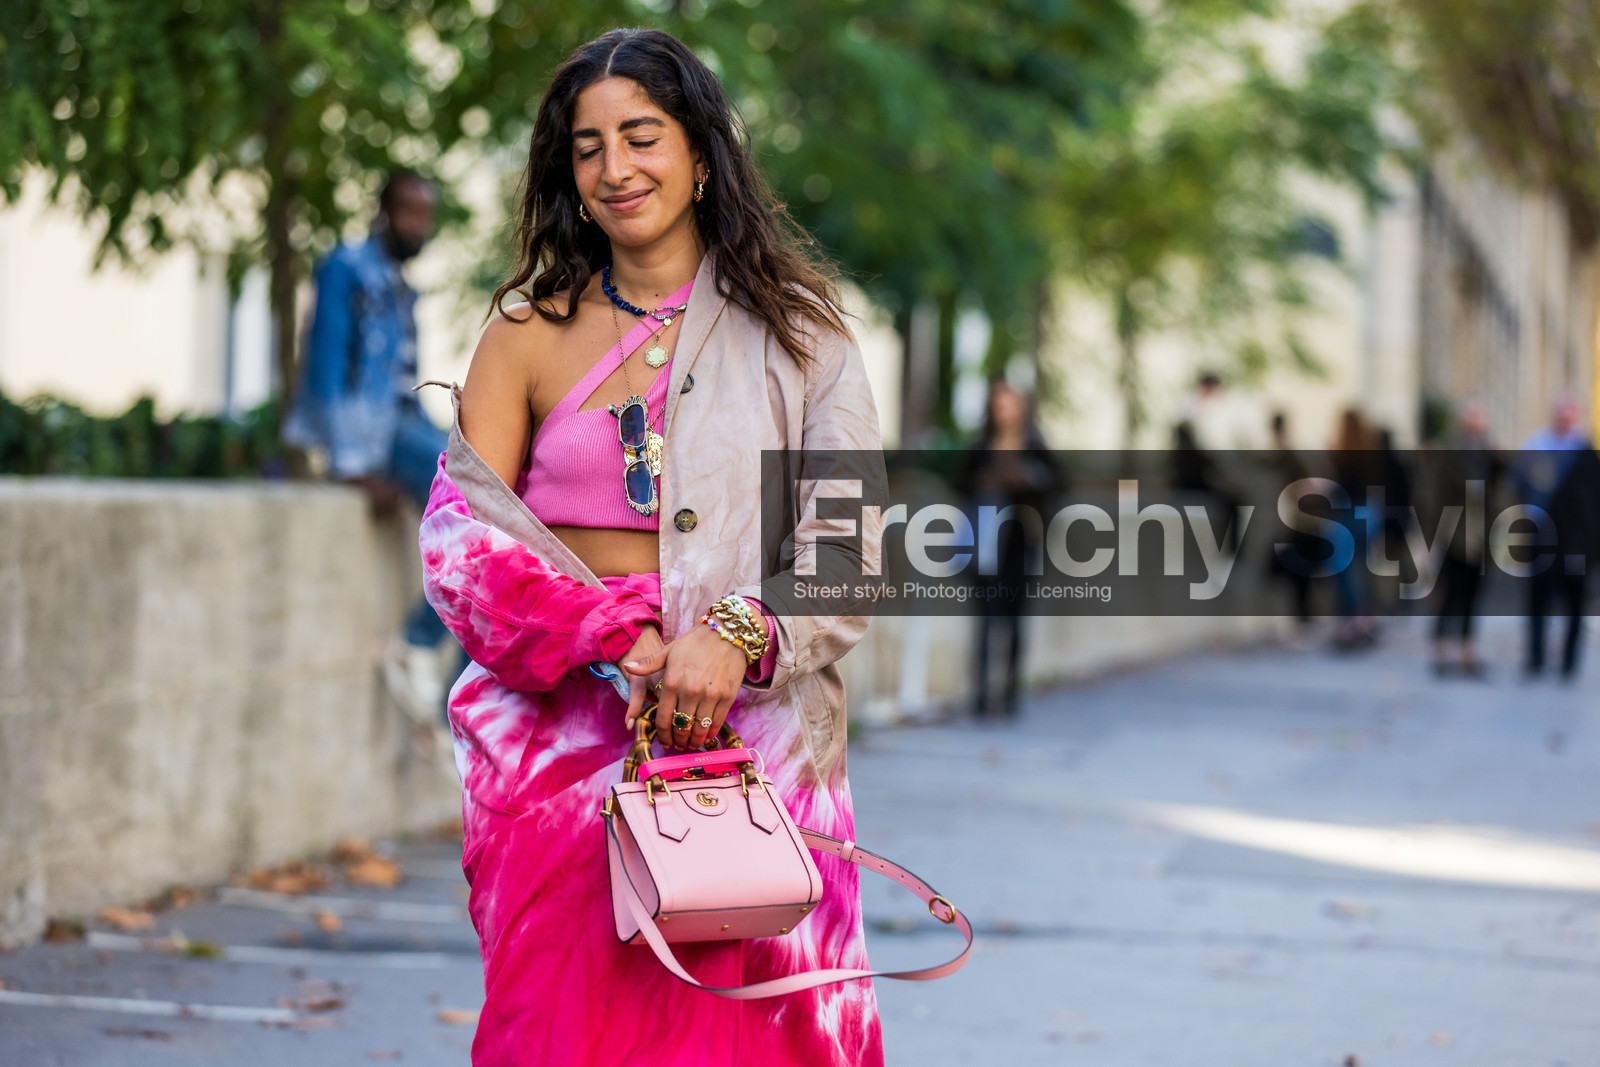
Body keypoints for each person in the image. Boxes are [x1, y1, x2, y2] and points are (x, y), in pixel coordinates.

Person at [417, 29, 886, 1065]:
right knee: (557, 1033)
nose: (616, 167)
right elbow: (460, 543)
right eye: (587, 147)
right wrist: (610, 635)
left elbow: (847, 551)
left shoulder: (804, 336)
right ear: (567, 175)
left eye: (642, 135)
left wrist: (734, 631)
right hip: (560, 756)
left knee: (749, 1039)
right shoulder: (525, 333)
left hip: (749, 760)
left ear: (702, 153)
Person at [282, 169, 452, 724]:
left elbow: (404, 377)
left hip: (403, 423)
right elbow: (326, 371)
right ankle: (418, 642)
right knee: (470, 504)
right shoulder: (345, 269)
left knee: (499, 492)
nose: (416, 225)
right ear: (381, 212)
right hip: (372, 437)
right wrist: (350, 467)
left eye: (424, 215)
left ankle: (444, 681)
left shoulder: (401, 284)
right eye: (407, 211)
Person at [955, 381, 1062, 719]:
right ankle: (982, 694)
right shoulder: (981, 446)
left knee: (1014, 621)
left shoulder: (1035, 445)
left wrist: (1027, 479)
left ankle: (1011, 692)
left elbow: (1059, 484)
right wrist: (985, 481)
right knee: (985, 620)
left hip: (1020, 542)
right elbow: (958, 481)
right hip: (985, 542)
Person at [1512, 396, 1600, 679]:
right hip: (1541, 538)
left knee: (1575, 604)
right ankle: (1536, 658)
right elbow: (1517, 487)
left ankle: (1569, 662)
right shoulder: (1536, 446)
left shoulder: (1585, 453)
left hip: (1576, 543)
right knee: (1538, 601)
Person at [1429, 401, 1499, 677]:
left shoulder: (1489, 456)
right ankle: (1440, 648)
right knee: (1450, 595)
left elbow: (1496, 493)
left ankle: (1466, 650)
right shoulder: (1451, 456)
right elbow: (1436, 499)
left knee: (1473, 595)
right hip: (1455, 535)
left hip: (1481, 538)